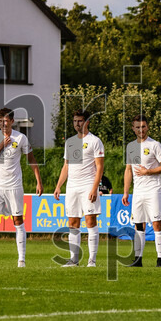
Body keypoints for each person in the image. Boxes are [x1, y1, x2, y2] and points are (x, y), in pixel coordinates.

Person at [0, 107, 42, 268]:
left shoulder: (21, 138)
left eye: (6, 122)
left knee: (18, 220)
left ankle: (21, 260)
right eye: (0, 121)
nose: (3, 125)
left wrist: (39, 181)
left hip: (14, 185)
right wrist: (1, 145)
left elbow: (31, 159)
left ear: (12, 121)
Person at [54, 109, 105, 267]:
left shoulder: (95, 141)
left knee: (90, 221)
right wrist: (58, 186)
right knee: (73, 222)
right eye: (75, 121)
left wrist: (94, 188)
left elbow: (100, 167)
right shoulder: (69, 142)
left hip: (88, 184)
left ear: (87, 122)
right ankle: (74, 260)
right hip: (72, 187)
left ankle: (92, 260)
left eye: (80, 121)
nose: (77, 124)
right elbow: (66, 166)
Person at [122, 114, 161, 267]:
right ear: (133, 128)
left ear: (147, 127)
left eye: (143, 126)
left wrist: (148, 172)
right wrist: (125, 192)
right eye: (137, 127)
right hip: (138, 192)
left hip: (153, 190)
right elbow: (128, 169)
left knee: (156, 224)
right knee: (138, 224)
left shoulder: (155, 144)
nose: (140, 130)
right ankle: (138, 259)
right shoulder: (130, 146)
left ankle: (160, 260)